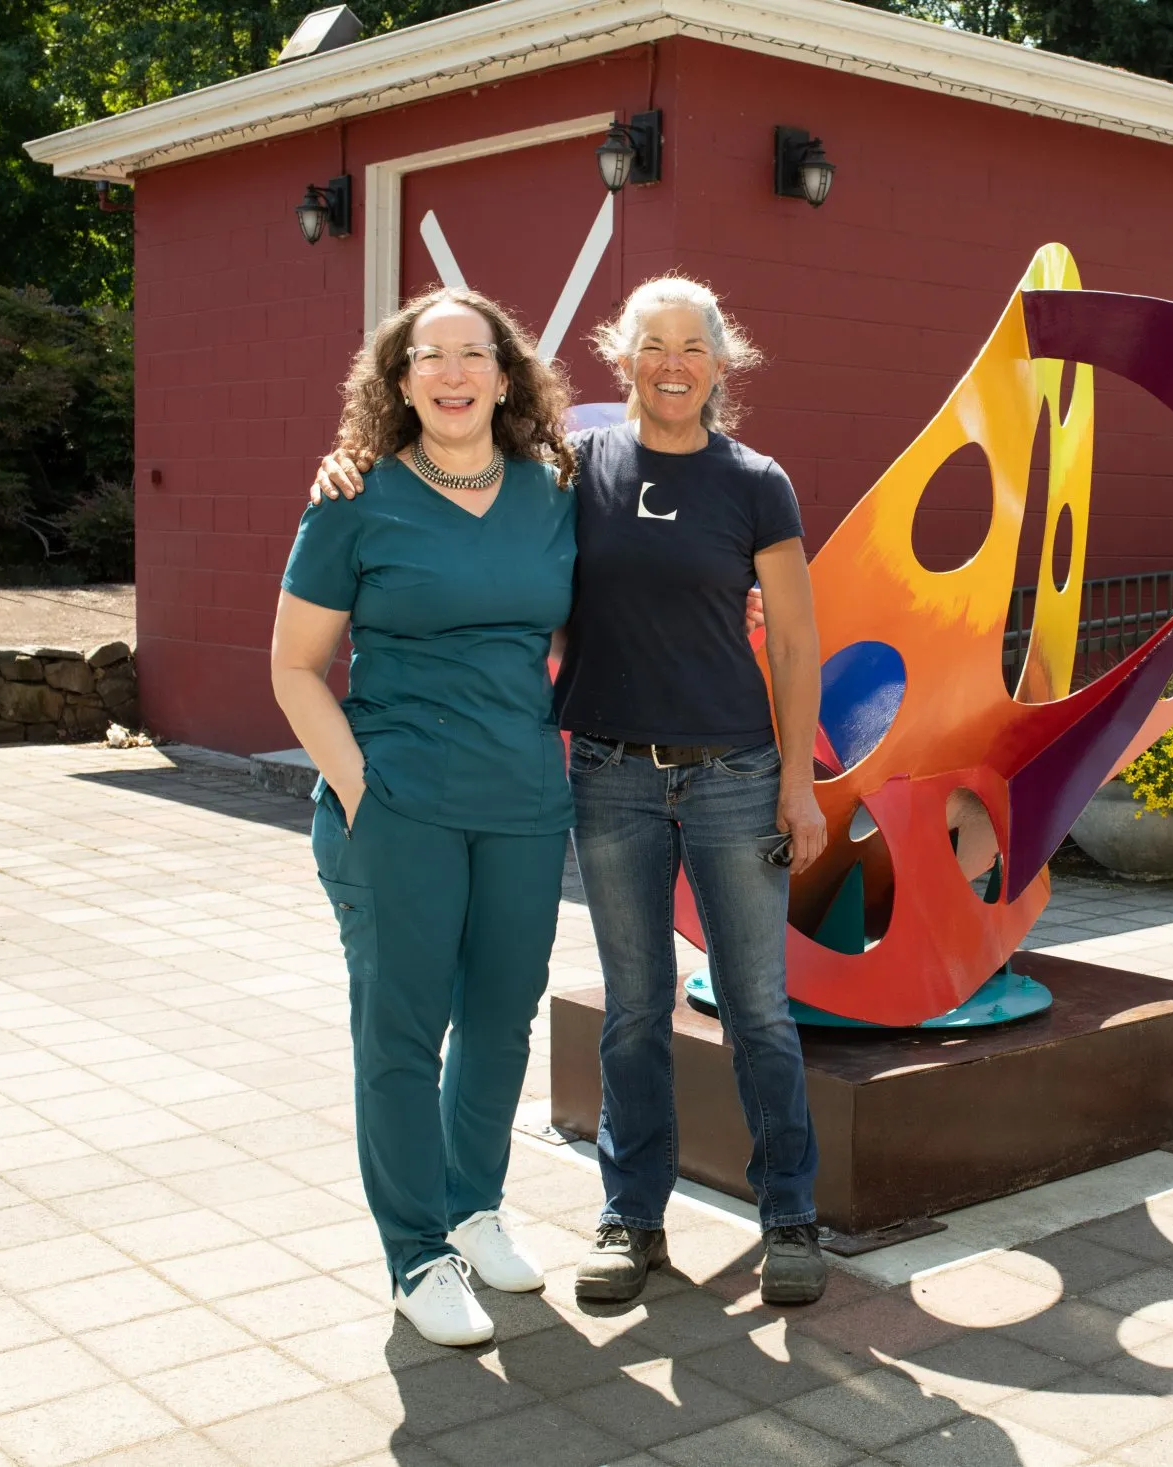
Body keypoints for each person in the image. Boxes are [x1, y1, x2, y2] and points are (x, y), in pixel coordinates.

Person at [311, 276, 830, 1307]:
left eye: (694, 347)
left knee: (759, 1011)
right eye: (653, 345)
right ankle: (631, 1220)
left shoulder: (757, 482)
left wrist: (799, 783)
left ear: (723, 366)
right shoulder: (567, 469)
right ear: (619, 359)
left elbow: (798, 637)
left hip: (734, 775)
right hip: (607, 776)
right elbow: (455, 492)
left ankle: (790, 1217)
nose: (672, 363)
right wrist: (355, 459)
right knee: (632, 1010)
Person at [273, 287, 576, 1347]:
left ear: (507, 374)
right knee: (402, 1033)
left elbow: (585, 626)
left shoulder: (553, 491)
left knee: (500, 1018)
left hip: (526, 805)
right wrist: (362, 789)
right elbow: (296, 667)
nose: (452, 374)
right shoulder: (352, 500)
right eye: (429, 357)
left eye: (474, 355)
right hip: (398, 806)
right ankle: (416, 1254)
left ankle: (474, 1206)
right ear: (398, 382)